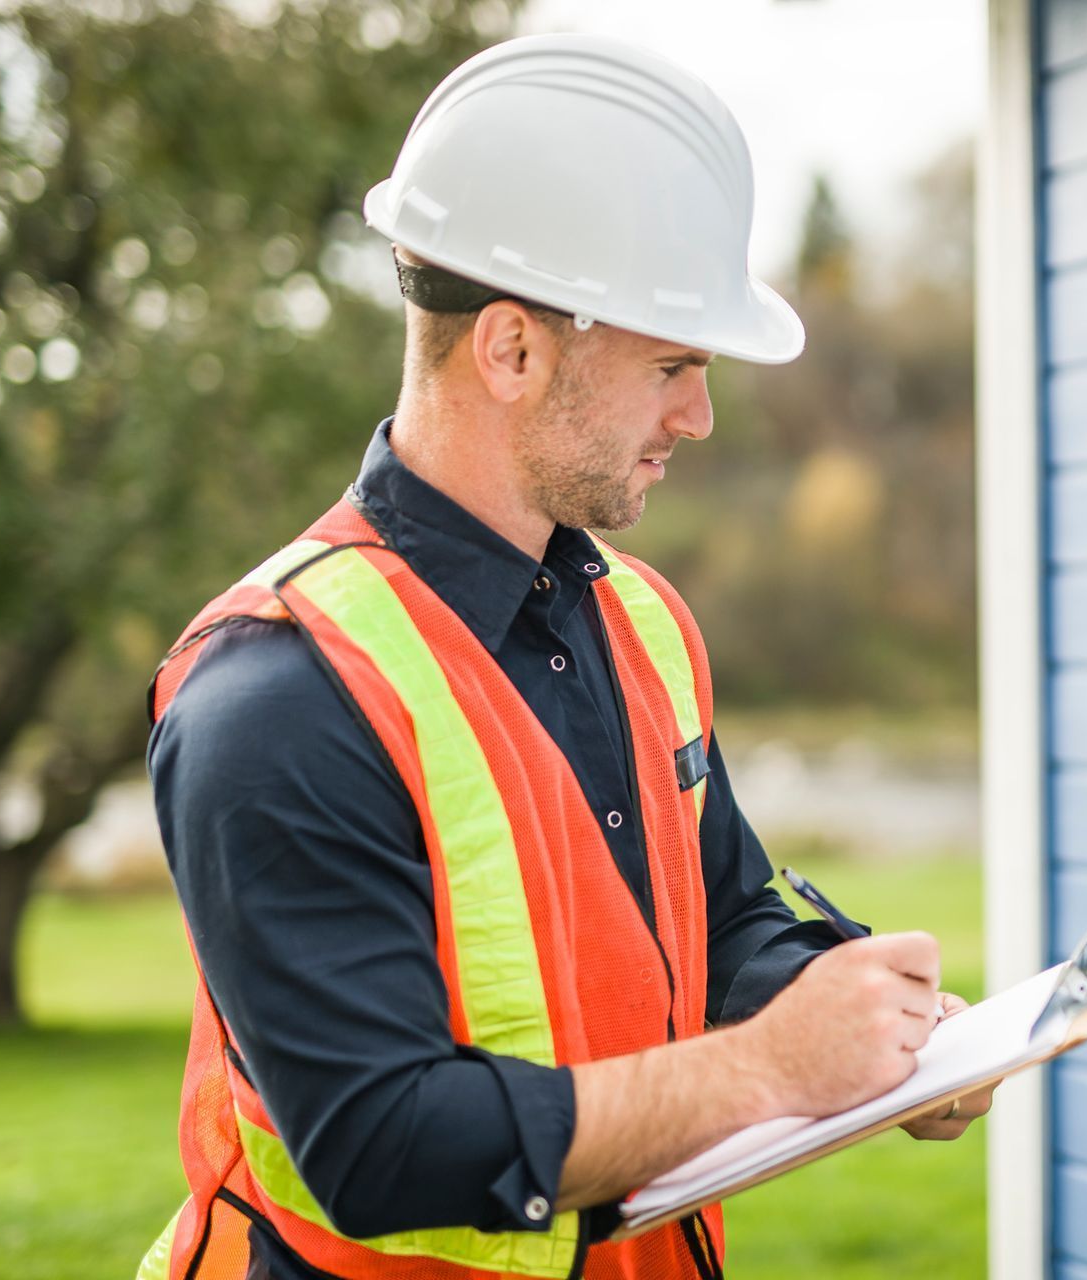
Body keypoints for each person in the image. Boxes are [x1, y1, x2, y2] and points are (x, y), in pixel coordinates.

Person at [138, 33, 991, 1280]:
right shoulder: (276, 693)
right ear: (512, 351)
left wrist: (873, 1032)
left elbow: (723, 923)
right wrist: (767, 1068)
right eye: (671, 366)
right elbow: (375, 1140)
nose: (697, 416)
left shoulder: (641, 619)